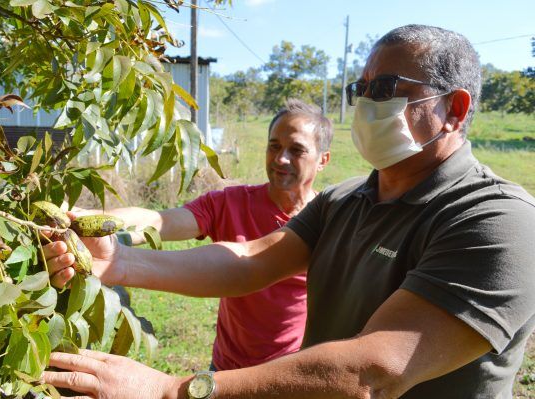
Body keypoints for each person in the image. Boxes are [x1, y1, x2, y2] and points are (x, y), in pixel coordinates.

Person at [42, 24, 535, 398]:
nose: (365, 102)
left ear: (454, 108)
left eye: (385, 89)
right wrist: (119, 264)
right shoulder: (345, 200)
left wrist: (176, 389)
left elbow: (371, 371)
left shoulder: (499, 221)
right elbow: (253, 258)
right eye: (359, 89)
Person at [75, 99, 333, 371]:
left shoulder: (329, 223)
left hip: (283, 373)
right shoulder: (230, 203)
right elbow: (159, 221)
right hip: (225, 368)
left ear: (322, 160)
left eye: (296, 150)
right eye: (274, 146)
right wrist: (91, 222)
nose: (281, 158)